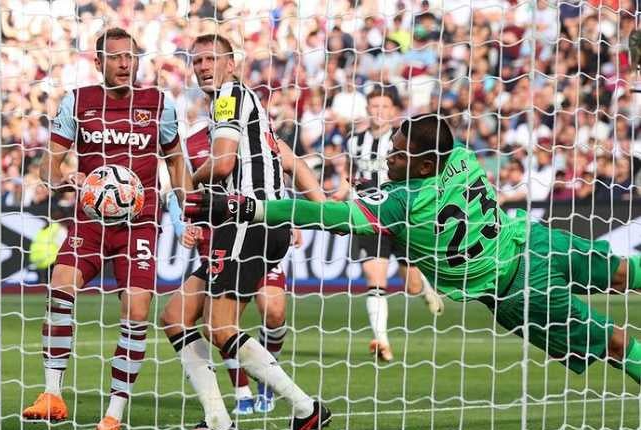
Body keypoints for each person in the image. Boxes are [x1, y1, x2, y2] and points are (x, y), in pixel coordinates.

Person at [186, 114, 641, 385]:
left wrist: (251, 207)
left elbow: (329, 216)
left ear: (424, 163)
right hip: (536, 239)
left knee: (615, 344)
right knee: (622, 272)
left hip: (518, 289)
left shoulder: (404, 202)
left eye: (399, 154)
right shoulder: (461, 156)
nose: (390, 159)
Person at [19, 28, 188, 430]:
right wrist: (67, 177)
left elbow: (176, 162)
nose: (125, 64)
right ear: (99, 62)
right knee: (60, 287)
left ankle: (113, 416)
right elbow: (47, 168)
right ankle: (52, 394)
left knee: (135, 309)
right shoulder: (76, 103)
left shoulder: (158, 104)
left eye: (131, 56)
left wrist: (188, 213)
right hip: (90, 219)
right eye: (115, 57)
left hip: (140, 224)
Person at [166, 34, 331, 430]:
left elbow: (221, 165)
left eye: (211, 59)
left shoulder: (227, 98)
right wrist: (326, 212)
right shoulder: (251, 109)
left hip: (247, 221)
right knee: (175, 316)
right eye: (197, 60)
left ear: (231, 64)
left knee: (221, 328)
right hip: (254, 222)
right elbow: (289, 163)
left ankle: (306, 409)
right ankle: (218, 421)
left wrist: (187, 182)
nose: (203, 66)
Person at [167, 120, 323, 417]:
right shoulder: (192, 142)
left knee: (270, 312)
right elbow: (179, 190)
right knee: (181, 317)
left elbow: (287, 166)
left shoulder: (257, 131)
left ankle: (287, 398)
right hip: (222, 239)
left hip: (257, 230)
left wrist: (308, 209)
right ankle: (234, 401)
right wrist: (184, 225)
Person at [345, 87, 443, 362]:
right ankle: (382, 341)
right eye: (373, 105)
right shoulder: (354, 142)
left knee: (411, 285)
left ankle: (424, 288)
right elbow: (348, 174)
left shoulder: (404, 142)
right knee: (375, 281)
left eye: (384, 106)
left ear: (393, 111)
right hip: (367, 217)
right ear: (367, 109)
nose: (378, 111)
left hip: (401, 218)